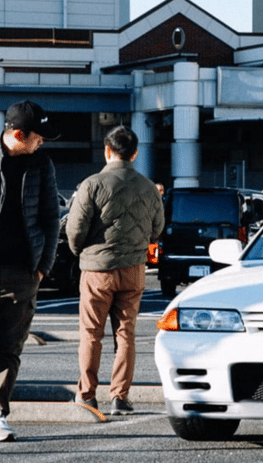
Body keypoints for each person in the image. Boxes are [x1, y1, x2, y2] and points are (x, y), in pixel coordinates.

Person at [66, 125, 164, 415]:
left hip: (97, 269)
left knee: (91, 333)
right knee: (126, 334)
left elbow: (75, 230)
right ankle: (120, 397)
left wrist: (81, 252)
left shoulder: (92, 184)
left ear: (107, 151)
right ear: (134, 154)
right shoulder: (148, 186)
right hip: (133, 269)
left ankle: (87, 395)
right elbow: (157, 229)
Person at [0, 100, 60, 442]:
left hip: (22, 273)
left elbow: (51, 218)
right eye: (38, 137)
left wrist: (43, 267)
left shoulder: (42, 164)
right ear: (18, 134)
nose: (42, 143)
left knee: (9, 347)